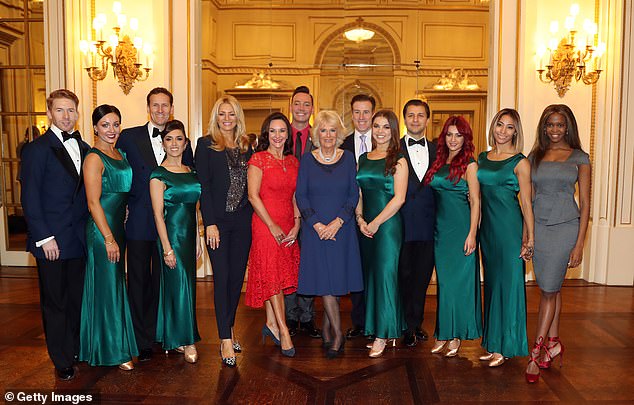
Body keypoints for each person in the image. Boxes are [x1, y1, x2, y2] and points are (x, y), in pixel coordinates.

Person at [117, 87, 194, 362]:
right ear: (148, 108)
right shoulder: (129, 137)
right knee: (139, 282)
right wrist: (120, 206)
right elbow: (117, 173)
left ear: (171, 108)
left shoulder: (182, 141)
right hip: (138, 221)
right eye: (155, 105)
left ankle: (166, 335)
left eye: (165, 105)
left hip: (173, 228)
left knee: (167, 283)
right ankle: (142, 340)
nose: (160, 110)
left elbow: (191, 183)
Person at [20, 89, 90, 381]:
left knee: (76, 299)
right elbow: (30, 197)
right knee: (55, 301)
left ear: (77, 113)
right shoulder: (36, 149)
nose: (66, 116)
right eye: (60, 110)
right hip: (51, 240)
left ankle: (73, 348)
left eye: (71, 110)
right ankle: (60, 358)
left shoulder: (85, 147)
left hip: (79, 239)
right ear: (50, 113)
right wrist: (44, 237)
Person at [524, 105, 590, 383]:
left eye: (560, 125)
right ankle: (554, 343)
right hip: (539, 226)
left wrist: (579, 244)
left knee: (548, 290)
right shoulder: (534, 156)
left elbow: (586, 203)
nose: (554, 130)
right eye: (550, 124)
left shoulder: (580, 158)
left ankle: (535, 353)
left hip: (565, 227)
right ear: (544, 126)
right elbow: (529, 198)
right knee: (552, 286)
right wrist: (527, 235)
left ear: (568, 127)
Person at [296, 110, 363, 359]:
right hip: (315, 232)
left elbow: (352, 195)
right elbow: (301, 195)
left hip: (341, 231)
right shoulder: (306, 160)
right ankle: (338, 333)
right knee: (324, 281)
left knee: (333, 280)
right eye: (323, 130)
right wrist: (316, 224)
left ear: (339, 134)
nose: (327, 135)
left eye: (332, 130)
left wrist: (336, 223)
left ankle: (329, 327)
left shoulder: (347, 159)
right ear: (316, 134)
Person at [195, 95, 256, 367]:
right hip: (217, 224)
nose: (227, 118)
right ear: (216, 117)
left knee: (234, 280)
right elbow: (204, 188)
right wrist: (210, 223)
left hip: (243, 224)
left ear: (238, 116)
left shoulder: (247, 146)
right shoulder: (205, 145)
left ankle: (229, 329)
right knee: (221, 278)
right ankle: (224, 339)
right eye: (222, 114)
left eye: (232, 114)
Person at [79, 104, 138, 370]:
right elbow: (93, 203)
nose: (111, 130)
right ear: (95, 128)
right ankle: (112, 350)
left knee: (114, 285)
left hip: (118, 228)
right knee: (108, 288)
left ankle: (113, 343)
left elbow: (120, 193)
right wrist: (109, 238)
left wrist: (122, 212)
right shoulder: (93, 158)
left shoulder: (120, 153)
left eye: (115, 124)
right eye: (105, 125)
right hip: (103, 232)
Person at [477, 108, 534, 367]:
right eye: (500, 124)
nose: (503, 131)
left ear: (516, 132)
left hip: (510, 230)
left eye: (509, 127)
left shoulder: (520, 162)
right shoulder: (483, 157)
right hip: (487, 231)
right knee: (492, 285)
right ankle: (493, 343)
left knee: (509, 287)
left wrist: (529, 237)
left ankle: (507, 345)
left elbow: (526, 203)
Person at [424, 116, 482, 357]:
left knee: (459, 286)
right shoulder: (438, 162)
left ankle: (456, 334)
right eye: (449, 134)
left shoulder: (470, 164)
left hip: (461, 231)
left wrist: (472, 234)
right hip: (441, 232)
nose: (453, 139)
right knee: (445, 286)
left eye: (458, 135)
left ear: (465, 138)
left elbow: (477, 201)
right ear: (443, 137)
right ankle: (443, 332)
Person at [246, 112, 300, 358]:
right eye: (273, 131)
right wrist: (272, 225)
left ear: (288, 134)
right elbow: (252, 196)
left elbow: (296, 196)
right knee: (272, 274)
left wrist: (297, 223)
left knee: (275, 274)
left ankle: (270, 323)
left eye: (282, 131)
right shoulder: (258, 159)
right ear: (266, 134)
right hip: (266, 225)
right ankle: (283, 329)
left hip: (289, 223)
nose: (277, 136)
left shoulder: (293, 162)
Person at [149, 120, 202, 364]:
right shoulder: (158, 174)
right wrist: (167, 248)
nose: (174, 144)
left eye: (179, 139)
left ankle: (173, 337)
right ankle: (187, 340)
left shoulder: (191, 172)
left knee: (186, 287)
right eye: (169, 139)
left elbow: (196, 208)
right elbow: (158, 214)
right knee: (180, 286)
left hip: (190, 237)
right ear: (163, 143)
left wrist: (199, 238)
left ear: (186, 143)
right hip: (171, 238)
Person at [356, 110, 408, 358]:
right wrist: (359, 219)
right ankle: (383, 328)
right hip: (366, 226)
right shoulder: (363, 158)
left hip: (387, 228)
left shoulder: (398, 160)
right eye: (376, 126)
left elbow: (399, 199)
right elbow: (359, 194)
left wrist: (375, 222)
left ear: (393, 130)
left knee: (386, 277)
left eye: (386, 127)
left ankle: (382, 335)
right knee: (373, 278)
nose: (380, 131)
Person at [398, 99, 437, 346]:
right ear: (404, 119)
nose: (415, 119)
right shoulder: (393, 149)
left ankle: (416, 323)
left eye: (420, 115)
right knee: (403, 276)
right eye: (411, 115)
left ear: (426, 119)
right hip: (400, 224)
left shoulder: (438, 151)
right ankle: (404, 325)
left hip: (430, 225)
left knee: (422, 278)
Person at [285, 85, 321, 339]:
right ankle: (288, 316)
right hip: (283, 210)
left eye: (306, 104)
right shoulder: (279, 134)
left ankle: (307, 318)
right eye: (297, 104)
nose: (301, 108)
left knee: (309, 263)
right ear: (291, 106)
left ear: (311, 108)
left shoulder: (320, 137)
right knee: (287, 263)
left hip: (312, 212)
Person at [340, 93, 375, 339]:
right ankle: (360, 321)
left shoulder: (386, 142)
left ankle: (378, 319)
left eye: (366, 112)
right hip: (352, 217)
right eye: (357, 112)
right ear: (351, 115)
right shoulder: (342, 146)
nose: (362, 117)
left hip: (382, 216)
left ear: (373, 114)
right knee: (357, 269)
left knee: (379, 270)